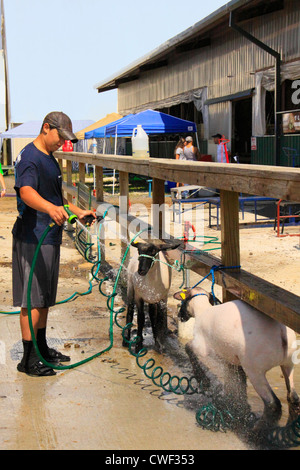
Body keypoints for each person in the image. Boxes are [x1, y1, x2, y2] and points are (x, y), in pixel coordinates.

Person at [12, 111, 95, 377]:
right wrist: (49, 209)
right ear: (46, 128)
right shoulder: (30, 157)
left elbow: (55, 199)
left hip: (49, 236)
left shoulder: (49, 157)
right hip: (32, 237)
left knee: (44, 298)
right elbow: (26, 192)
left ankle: (42, 348)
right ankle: (28, 359)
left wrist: (77, 212)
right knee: (32, 299)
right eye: (60, 137)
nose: (62, 143)